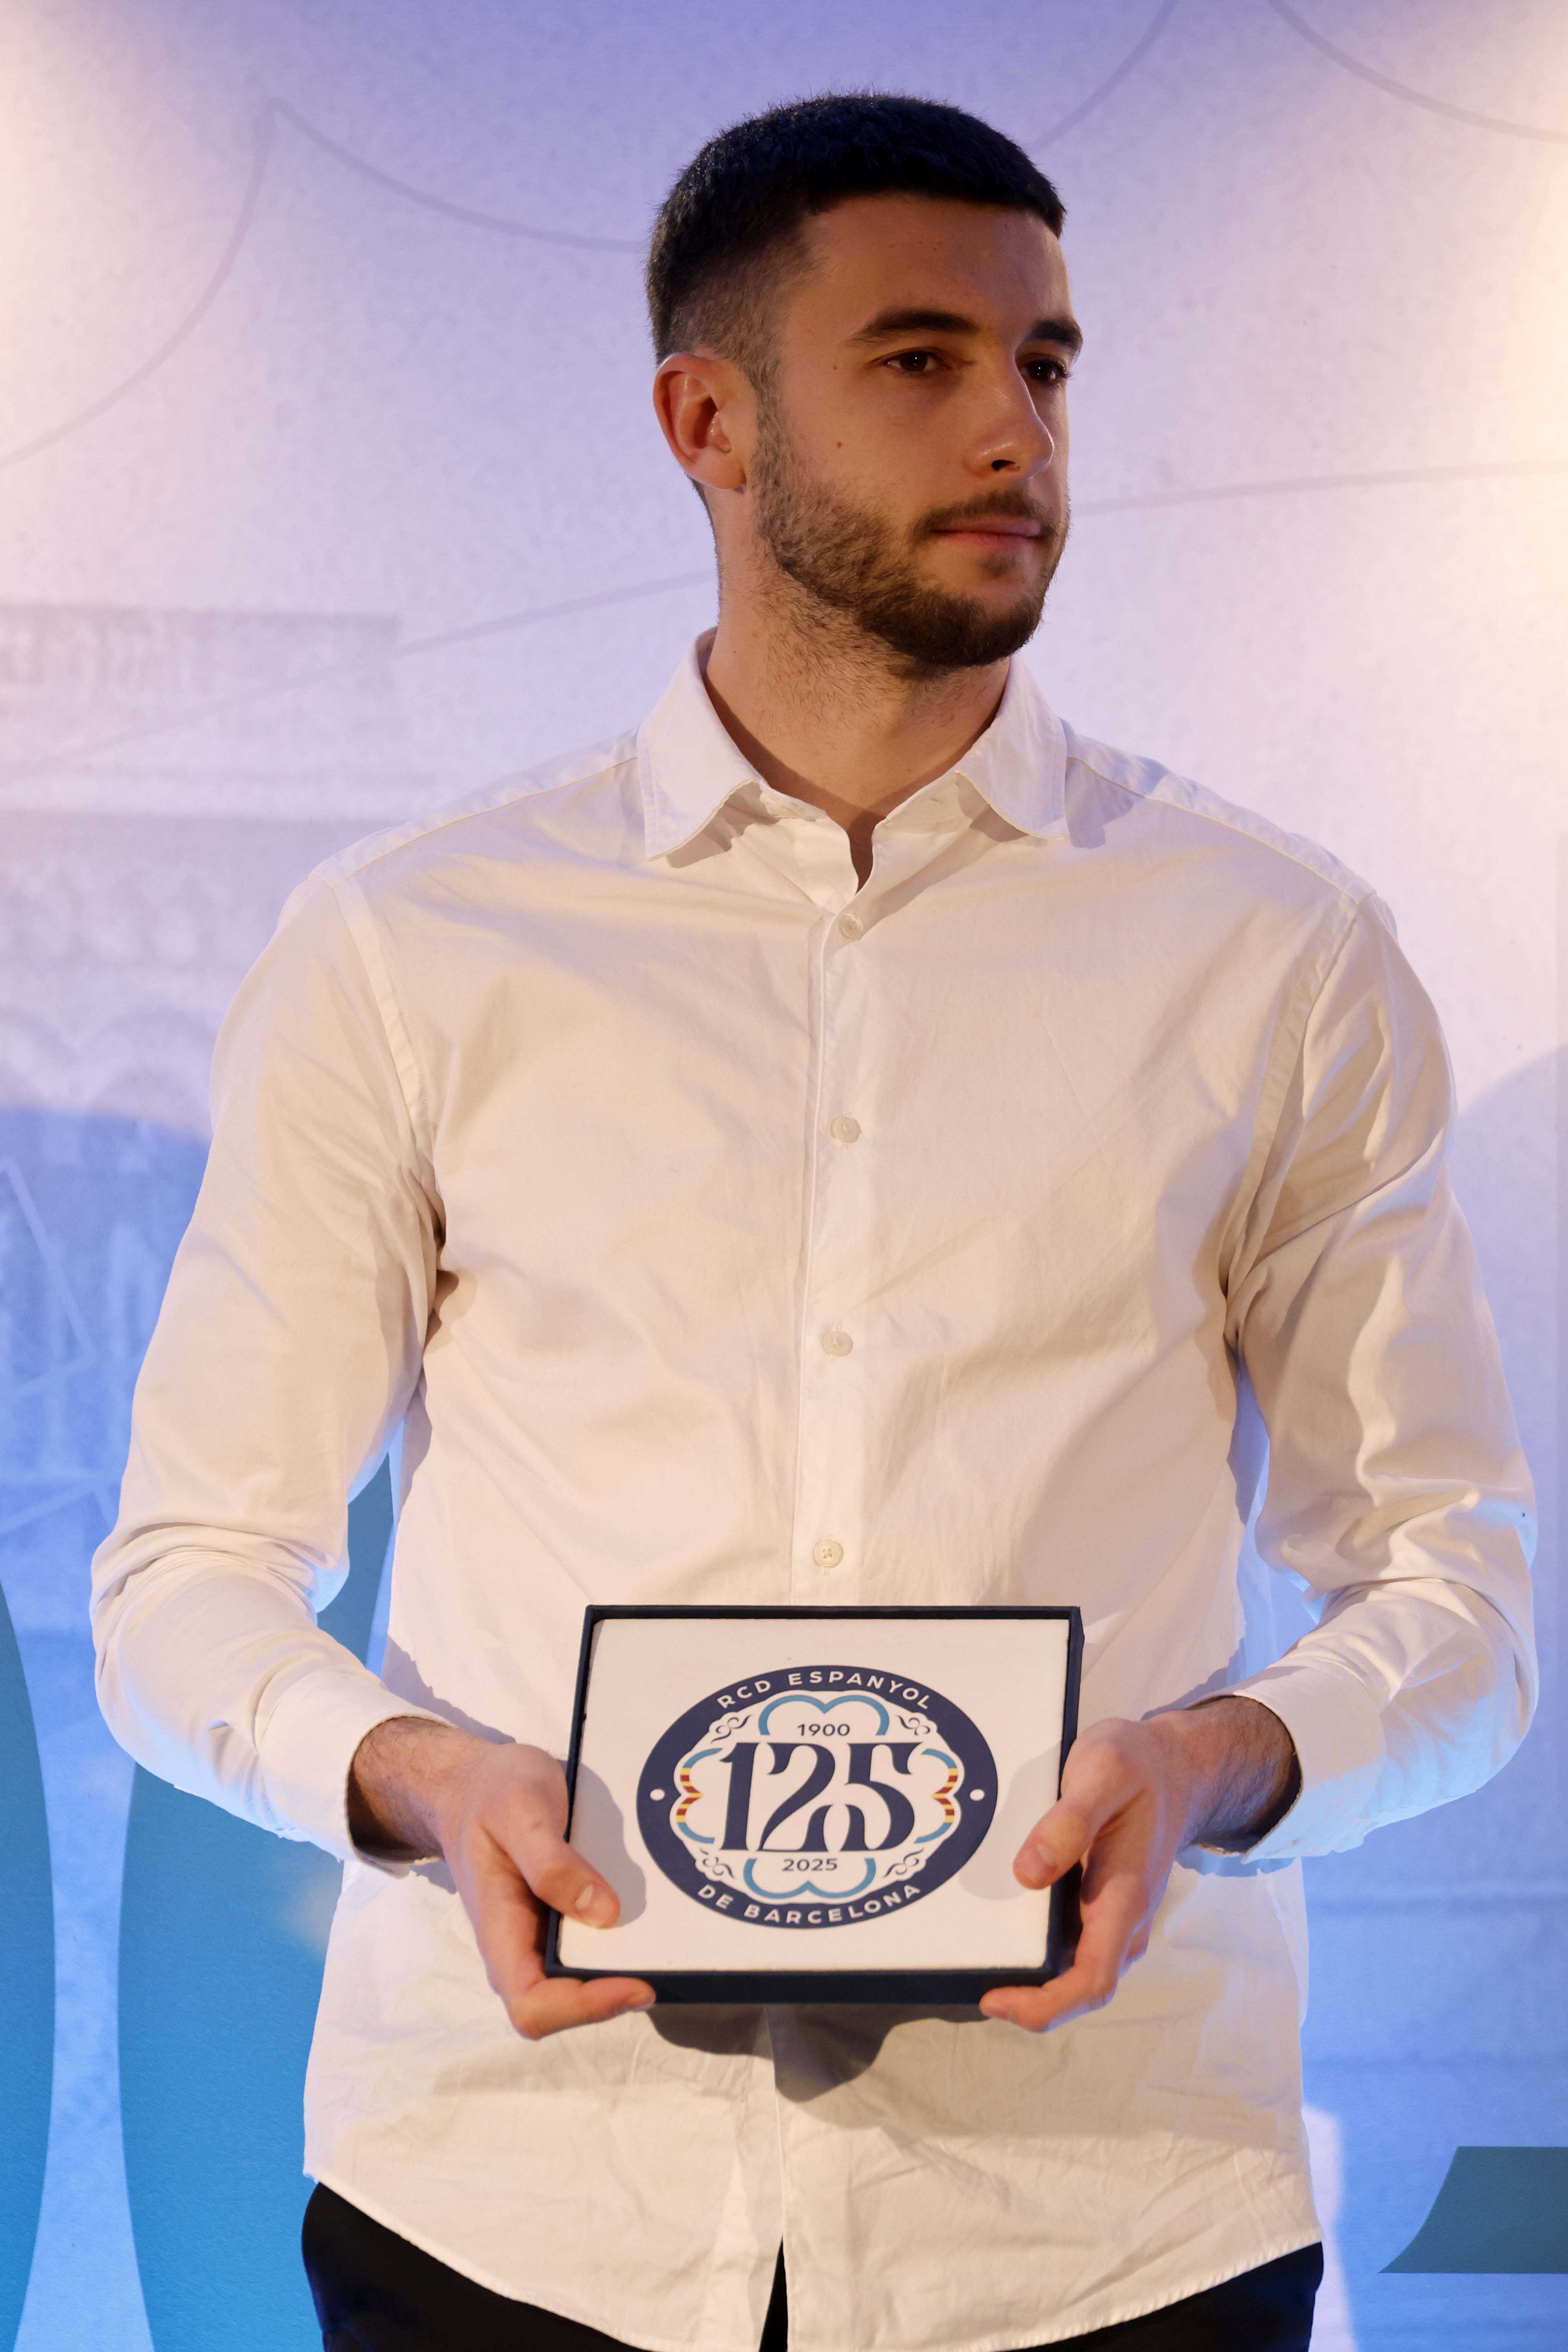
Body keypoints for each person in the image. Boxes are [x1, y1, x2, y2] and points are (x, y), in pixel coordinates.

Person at [91, 92, 1535, 2352]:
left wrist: (1215, 1765)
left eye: (1045, 365)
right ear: (711, 422)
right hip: (516, 2208)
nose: (1015, 430)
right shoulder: (410, 946)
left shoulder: (1278, 953)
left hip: (1105, 2225)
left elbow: (1455, 1597)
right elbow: (185, 1578)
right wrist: (418, 1778)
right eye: (921, 359)